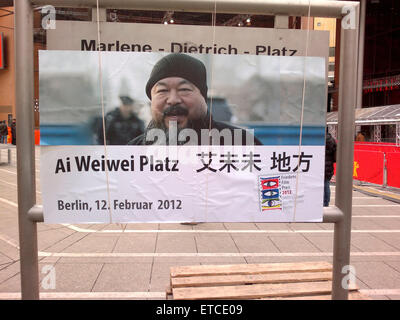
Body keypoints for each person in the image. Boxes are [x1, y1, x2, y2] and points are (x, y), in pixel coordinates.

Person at [128, 53, 262, 146]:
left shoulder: (239, 143)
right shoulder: (133, 153)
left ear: (203, 96)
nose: (173, 100)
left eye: (184, 89)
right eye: (162, 91)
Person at [324, 129, 337, 207]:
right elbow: (335, 156)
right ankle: (326, 203)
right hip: (329, 167)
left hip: (319, 166)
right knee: (326, 184)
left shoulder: (319, 139)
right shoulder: (332, 140)